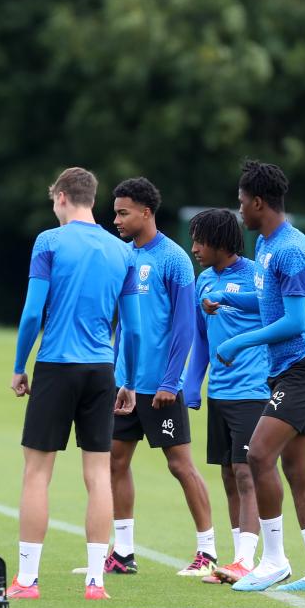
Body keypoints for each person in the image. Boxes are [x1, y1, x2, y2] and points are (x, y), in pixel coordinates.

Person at [6, 167, 140, 601]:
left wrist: (18, 366)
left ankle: (27, 580)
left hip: (57, 365)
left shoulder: (49, 242)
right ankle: (96, 581)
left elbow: (31, 314)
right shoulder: (123, 252)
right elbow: (133, 330)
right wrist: (130, 381)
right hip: (102, 370)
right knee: (98, 474)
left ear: (62, 197)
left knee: (36, 473)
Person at [207, 160, 305, 592]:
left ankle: (274, 561)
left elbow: (296, 322)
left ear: (258, 202)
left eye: (242, 202)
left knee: (258, 455)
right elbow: (266, 302)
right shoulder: (265, 245)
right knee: (298, 468)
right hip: (287, 371)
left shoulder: (290, 250)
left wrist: (237, 343)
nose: (239, 210)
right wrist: (226, 301)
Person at [109, 177, 217, 577]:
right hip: (126, 385)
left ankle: (207, 551)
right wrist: (119, 374)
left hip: (160, 386)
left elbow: (184, 326)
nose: (117, 219)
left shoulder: (173, 258)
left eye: (123, 212)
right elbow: (121, 323)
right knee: (116, 461)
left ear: (146, 212)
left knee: (180, 465)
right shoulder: (121, 257)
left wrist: (172, 381)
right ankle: (122, 552)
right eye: (116, 212)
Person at [184, 209, 269, 585]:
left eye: (200, 240)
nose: (194, 248)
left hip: (252, 391)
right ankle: (235, 562)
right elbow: (201, 338)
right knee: (226, 473)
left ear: (220, 241)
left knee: (245, 472)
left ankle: (247, 560)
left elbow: (272, 315)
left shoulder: (254, 275)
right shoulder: (202, 280)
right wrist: (191, 384)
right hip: (219, 392)